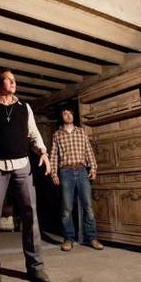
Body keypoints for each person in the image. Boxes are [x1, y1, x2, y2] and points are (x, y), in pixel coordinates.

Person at [0, 68, 52, 282]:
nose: (13, 82)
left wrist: (43, 152)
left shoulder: (25, 107)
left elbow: (33, 133)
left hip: (22, 164)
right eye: (8, 79)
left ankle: (36, 267)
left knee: (30, 213)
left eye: (14, 79)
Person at [50, 108, 103, 252]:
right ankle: (68, 239)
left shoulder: (81, 132)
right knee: (67, 208)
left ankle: (92, 238)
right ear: (61, 117)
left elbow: (88, 150)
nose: (68, 116)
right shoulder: (57, 135)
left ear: (73, 116)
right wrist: (54, 173)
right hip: (65, 172)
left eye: (70, 113)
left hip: (81, 171)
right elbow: (53, 155)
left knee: (88, 207)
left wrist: (93, 168)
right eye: (65, 113)